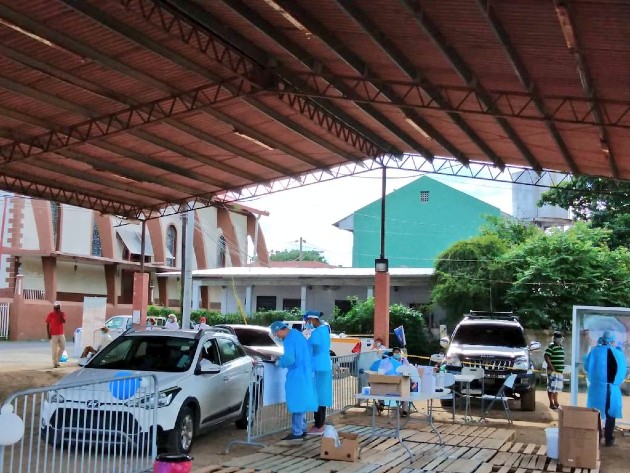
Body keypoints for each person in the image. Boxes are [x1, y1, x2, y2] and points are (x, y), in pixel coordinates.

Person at [269, 320, 317, 441]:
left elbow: (290, 358)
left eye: (276, 334)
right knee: (302, 402)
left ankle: (297, 432)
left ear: (280, 330)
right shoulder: (297, 334)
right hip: (306, 372)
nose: (277, 337)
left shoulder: (289, 339)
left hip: (297, 374)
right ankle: (302, 428)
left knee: (297, 403)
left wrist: (279, 362)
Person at [584, 330, 627, 447]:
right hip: (612, 389)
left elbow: (587, 366)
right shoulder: (618, 354)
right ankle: (609, 439)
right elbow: (623, 371)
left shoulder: (595, 351)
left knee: (595, 414)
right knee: (611, 414)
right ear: (613, 341)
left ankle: (596, 438)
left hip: (597, 389)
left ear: (602, 339)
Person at [305, 312, 333, 435]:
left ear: (312, 319)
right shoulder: (325, 330)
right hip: (325, 364)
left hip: (318, 365)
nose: (306, 323)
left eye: (307, 320)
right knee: (323, 395)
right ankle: (320, 423)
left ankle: (318, 425)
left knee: (318, 396)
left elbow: (315, 347)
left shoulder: (316, 333)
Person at [544, 331, 565, 410]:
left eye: (560, 338)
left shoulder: (561, 346)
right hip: (552, 371)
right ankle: (551, 403)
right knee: (551, 387)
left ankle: (556, 402)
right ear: (554, 338)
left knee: (556, 388)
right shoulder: (551, 346)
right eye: (558, 338)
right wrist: (551, 367)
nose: (559, 340)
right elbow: (546, 356)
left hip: (559, 372)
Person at [45, 301, 66, 368]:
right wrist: (48, 334)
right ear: (54, 307)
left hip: (61, 333)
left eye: (58, 307)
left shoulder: (62, 313)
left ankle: (56, 360)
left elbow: (64, 321)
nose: (56, 309)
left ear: (60, 307)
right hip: (53, 334)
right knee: (54, 349)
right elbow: (47, 324)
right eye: (56, 307)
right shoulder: (51, 314)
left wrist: (61, 315)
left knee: (63, 347)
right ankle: (55, 363)